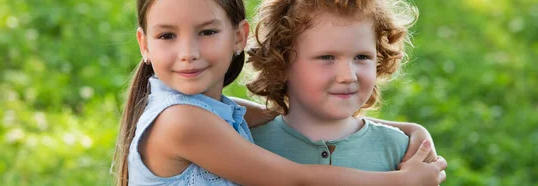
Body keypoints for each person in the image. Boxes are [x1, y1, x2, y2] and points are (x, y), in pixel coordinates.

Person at [113, 0, 446, 185]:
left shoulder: (214, 111)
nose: (188, 52)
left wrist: (412, 132)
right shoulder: (182, 122)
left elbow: (280, 113)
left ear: (239, 37)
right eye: (167, 36)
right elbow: (294, 180)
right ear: (144, 44)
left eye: (207, 32)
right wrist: (401, 183)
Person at [247, 0, 429, 171]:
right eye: (327, 57)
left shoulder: (401, 150)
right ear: (280, 64)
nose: (348, 76)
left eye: (362, 57)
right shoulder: (246, 145)